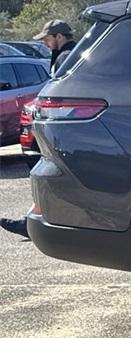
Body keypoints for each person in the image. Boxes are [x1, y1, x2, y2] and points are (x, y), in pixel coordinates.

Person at [1, 20, 76, 239]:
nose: (44, 43)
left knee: (48, 174)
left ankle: (38, 222)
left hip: (61, 128)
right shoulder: (72, 54)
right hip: (61, 126)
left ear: (59, 36)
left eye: (47, 38)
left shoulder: (65, 58)